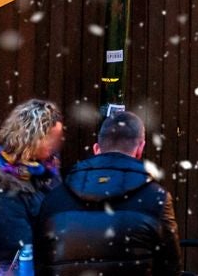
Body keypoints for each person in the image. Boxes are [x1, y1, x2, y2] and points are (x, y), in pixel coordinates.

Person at [35, 109, 181, 276]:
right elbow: (171, 269)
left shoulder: (55, 199)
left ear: (97, 149)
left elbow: (40, 265)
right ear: (140, 148)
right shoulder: (156, 199)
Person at [0, 99, 65, 269]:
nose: (56, 144)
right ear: (30, 138)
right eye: (50, 138)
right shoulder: (4, 196)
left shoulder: (45, 171)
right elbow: (21, 257)